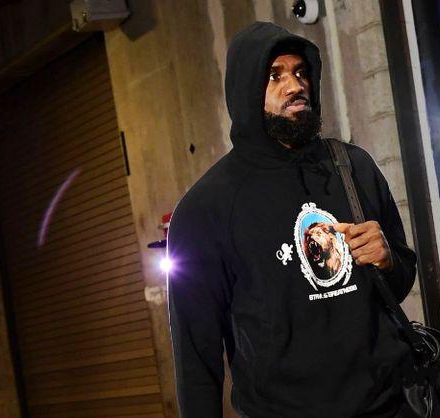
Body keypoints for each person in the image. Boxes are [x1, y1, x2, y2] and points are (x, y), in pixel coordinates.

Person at [167, 21, 417, 418]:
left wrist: (389, 260)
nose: (295, 86)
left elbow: (400, 283)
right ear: (246, 90)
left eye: (301, 73)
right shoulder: (205, 208)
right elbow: (196, 354)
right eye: (275, 75)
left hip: (390, 406)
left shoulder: (352, 167)